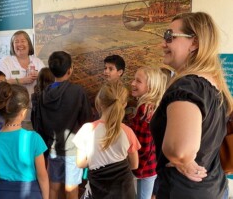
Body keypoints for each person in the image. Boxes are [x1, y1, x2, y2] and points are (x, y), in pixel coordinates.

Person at [150, 12, 233, 199]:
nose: (163, 43)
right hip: (213, 187)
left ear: (194, 43)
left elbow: (180, 151)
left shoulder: (188, 86)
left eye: (169, 36)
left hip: (183, 190)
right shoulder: (216, 87)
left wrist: (181, 159)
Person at [35, 51, 92, 199]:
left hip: (52, 147)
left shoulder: (43, 94)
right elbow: (87, 121)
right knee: (71, 188)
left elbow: (39, 124)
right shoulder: (78, 92)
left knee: (53, 186)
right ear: (70, 70)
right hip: (73, 149)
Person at [73, 80, 140, 199]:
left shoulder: (87, 130)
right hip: (123, 191)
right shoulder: (128, 131)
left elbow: (80, 163)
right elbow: (134, 165)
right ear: (124, 104)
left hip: (98, 190)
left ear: (99, 102)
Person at [0, 82, 49, 199]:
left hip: (1, 192)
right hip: (31, 192)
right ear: (23, 112)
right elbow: (42, 175)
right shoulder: (34, 138)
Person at [128, 66, 167, 199]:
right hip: (151, 166)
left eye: (138, 81)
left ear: (150, 87)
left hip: (143, 167)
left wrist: (135, 168)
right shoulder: (155, 106)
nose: (132, 83)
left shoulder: (145, 110)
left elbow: (143, 146)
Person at [0, 30, 45, 124]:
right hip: (12, 115)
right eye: (16, 42)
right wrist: (21, 80)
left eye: (23, 41)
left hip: (34, 114)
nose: (19, 44)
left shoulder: (37, 62)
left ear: (29, 44)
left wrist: (39, 76)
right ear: (12, 45)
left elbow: (47, 80)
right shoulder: (5, 62)